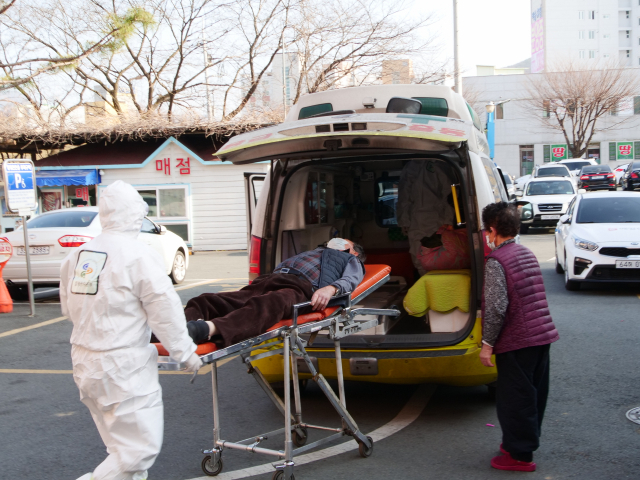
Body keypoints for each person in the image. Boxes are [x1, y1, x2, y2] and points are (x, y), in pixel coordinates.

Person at [61, 181, 201, 480]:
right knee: (137, 451)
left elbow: (68, 307)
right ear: (134, 215)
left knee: (120, 450)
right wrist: (186, 352)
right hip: (122, 368)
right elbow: (164, 309)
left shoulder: (80, 255)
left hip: (85, 363)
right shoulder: (138, 255)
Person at [479, 202, 559, 472]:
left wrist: (487, 345)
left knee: (515, 400)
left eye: (486, 231)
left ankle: (520, 456)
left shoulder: (496, 261)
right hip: (541, 335)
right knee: (534, 395)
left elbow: (496, 308)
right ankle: (517, 442)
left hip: (518, 340)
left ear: (492, 230)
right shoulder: (525, 252)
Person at [183, 238, 366, 348]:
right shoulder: (315, 251)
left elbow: (351, 280)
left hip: (300, 287)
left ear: (354, 251)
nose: (334, 241)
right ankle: (174, 332)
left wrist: (331, 289)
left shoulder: (352, 260)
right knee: (206, 300)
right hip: (269, 279)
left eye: (343, 241)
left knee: (270, 304)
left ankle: (206, 329)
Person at [396, 160, 455, 275]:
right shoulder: (436, 163)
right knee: (421, 254)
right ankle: (427, 282)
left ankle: (429, 280)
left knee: (429, 254)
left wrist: (449, 220)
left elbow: (450, 193)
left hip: (435, 219)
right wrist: (404, 222)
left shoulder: (438, 163)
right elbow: (404, 196)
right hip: (424, 219)